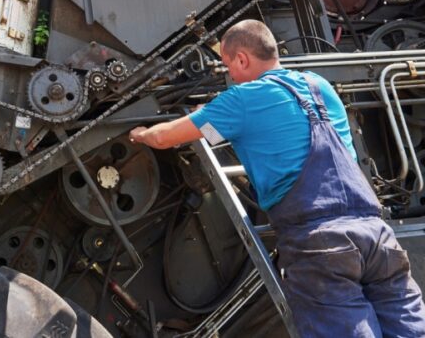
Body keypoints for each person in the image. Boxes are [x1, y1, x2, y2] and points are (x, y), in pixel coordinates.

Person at [129, 19, 425, 337]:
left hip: (321, 245)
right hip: (377, 237)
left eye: (229, 66)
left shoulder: (243, 99)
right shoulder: (319, 86)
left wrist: (141, 133)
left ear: (242, 59)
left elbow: (165, 137)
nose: (230, 76)